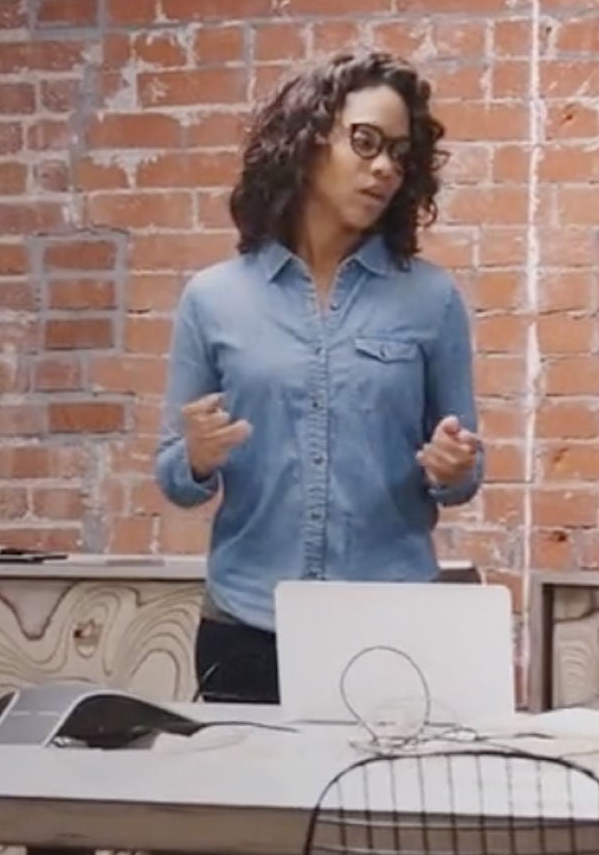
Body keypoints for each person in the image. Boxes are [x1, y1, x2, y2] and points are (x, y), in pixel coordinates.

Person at [154, 50, 483, 704]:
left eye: (400, 153)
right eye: (365, 142)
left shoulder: (431, 299)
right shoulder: (214, 299)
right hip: (248, 627)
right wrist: (195, 457)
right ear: (306, 143)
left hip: (391, 628)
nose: (385, 167)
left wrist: (453, 467)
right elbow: (173, 477)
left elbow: (463, 473)